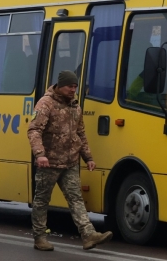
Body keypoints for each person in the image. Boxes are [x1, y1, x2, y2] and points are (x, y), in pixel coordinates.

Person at [27, 70, 113, 251]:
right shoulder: (45, 104)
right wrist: (40, 154)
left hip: (70, 162)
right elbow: (34, 130)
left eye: (75, 86)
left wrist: (88, 157)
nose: (73, 90)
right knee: (42, 200)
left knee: (76, 198)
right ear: (60, 85)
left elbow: (80, 133)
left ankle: (89, 235)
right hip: (48, 162)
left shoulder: (75, 106)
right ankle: (40, 237)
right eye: (69, 86)